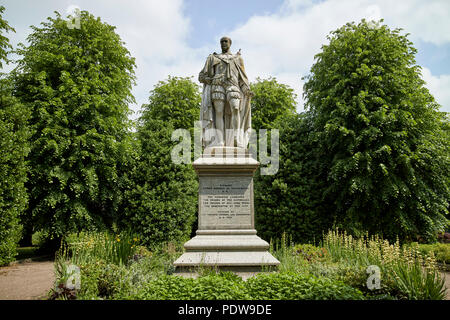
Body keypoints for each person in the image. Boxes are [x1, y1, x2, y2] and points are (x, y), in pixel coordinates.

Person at [198, 36, 253, 148]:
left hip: (233, 85)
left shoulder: (237, 59)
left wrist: (246, 89)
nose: (223, 43)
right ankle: (220, 140)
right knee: (218, 111)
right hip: (217, 85)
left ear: (230, 43)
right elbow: (201, 76)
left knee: (236, 108)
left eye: (225, 41)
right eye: (221, 42)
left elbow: (242, 79)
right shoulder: (213, 58)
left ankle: (236, 137)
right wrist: (208, 79)